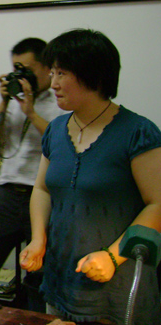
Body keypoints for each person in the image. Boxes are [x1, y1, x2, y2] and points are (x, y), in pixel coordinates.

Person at [20, 29, 161, 324]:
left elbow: (157, 203)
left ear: (93, 75)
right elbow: (43, 189)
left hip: (116, 281)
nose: (53, 83)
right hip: (62, 276)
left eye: (62, 73)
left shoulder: (138, 132)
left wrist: (112, 257)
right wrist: (37, 239)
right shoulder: (56, 130)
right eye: (52, 72)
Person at [0, 38, 65, 302]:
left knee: (39, 276)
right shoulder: (13, 100)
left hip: (42, 199)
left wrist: (31, 112)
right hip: (7, 196)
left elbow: (61, 143)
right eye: (17, 69)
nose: (22, 76)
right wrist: (4, 101)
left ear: (47, 68)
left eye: (27, 69)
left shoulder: (61, 101)